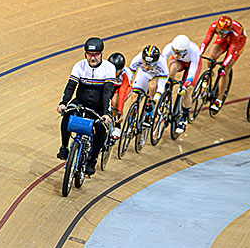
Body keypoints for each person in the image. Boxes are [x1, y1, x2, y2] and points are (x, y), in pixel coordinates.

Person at [56, 37, 116, 176]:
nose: (92, 58)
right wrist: (63, 103)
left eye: (95, 55)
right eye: (89, 54)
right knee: (67, 114)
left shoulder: (109, 68)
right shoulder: (79, 66)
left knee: (101, 127)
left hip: (99, 105)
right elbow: (71, 87)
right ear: (85, 54)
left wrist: (106, 113)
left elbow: (108, 92)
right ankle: (64, 147)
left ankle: (93, 159)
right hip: (81, 101)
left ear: (101, 54)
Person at [200, 15, 247, 112]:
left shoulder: (235, 33)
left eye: (224, 31)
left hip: (237, 42)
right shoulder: (214, 27)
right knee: (211, 58)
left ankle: (219, 99)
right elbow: (206, 42)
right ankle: (208, 78)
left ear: (229, 30)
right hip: (225, 40)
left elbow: (231, 52)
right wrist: (199, 54)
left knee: (225, 70)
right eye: (219, 31)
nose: (221, 33)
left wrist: (224, 65)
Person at [162, 35, 202, 133]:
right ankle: (168, 93)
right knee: (171, 68)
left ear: (186, 51)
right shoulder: (168, 48)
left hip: (192, 65)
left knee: (188, 90)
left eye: (179, 53)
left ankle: (184, 118)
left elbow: (192, 72)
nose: (175, 54)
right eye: (174, 51)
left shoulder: (194, 51)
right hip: (179, 63)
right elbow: (162, 65)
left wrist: (185, 85)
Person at [126, 45, 169, 126]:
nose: (147, 66)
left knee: (152, 86)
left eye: (151, 64)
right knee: (134, 97)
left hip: (156, 76)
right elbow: (129, 77)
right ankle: (130, 121)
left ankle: (150, 113)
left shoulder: (162, 64)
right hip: (143, 75)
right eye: (145, 63)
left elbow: (160, 87)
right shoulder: (137, 58)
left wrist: (154, 101)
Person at [108, 52, 130, 139]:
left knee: (115, 101)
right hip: (112, 85)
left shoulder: (125, 74)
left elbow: (122, 93)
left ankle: (117, 126)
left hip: (124, 87)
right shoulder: (105, 69)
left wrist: (120, 112)